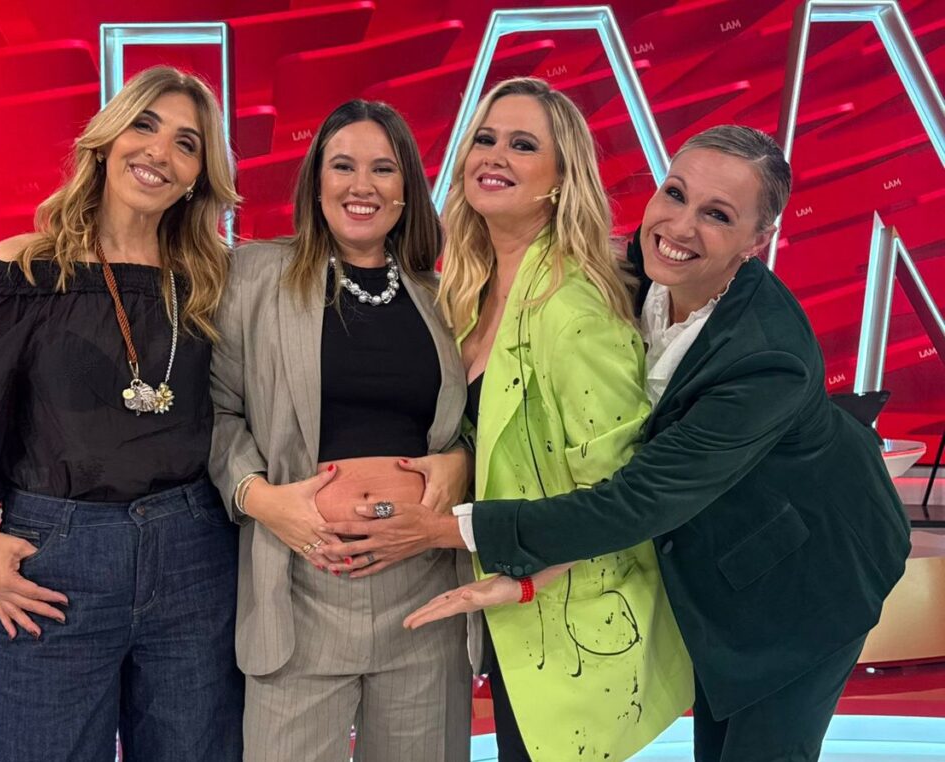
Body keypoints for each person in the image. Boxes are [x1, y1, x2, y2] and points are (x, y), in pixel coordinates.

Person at [330, 125, 912, 762]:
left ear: (758, 239)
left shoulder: (767, 359)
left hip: (805, 577)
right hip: (712, 549)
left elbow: (636, 502)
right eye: (675, 194)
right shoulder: (638, 266)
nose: (680, 226)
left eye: (717, 215)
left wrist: (444, 529)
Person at [328, 77, 693, 762]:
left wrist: (499, 564)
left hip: (574, 621)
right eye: (486, 139)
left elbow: (618, 499)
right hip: (511, 616)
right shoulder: (469, 289)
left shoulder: (576, 311)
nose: (493, 156)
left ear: (560, 179)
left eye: (523, 145)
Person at [0, 66, 244, 760]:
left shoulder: (212, 281)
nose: (159, 152)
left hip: (194, 556)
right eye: (144, 125)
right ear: (106, 140)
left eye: (186, 143)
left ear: (199, 176)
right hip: (56, 559)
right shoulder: (24, 269)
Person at [209, 99, 471, 762]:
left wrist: (462, 461)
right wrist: (263, 499)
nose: (362, 185)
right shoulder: (254, 275)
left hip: (423, 589)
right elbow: (215, 412)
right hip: (296, 588)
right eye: (343, 166)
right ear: (316, 182)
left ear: (407, 188)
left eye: (383, 169)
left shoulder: (443, 294)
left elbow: (477, 419)